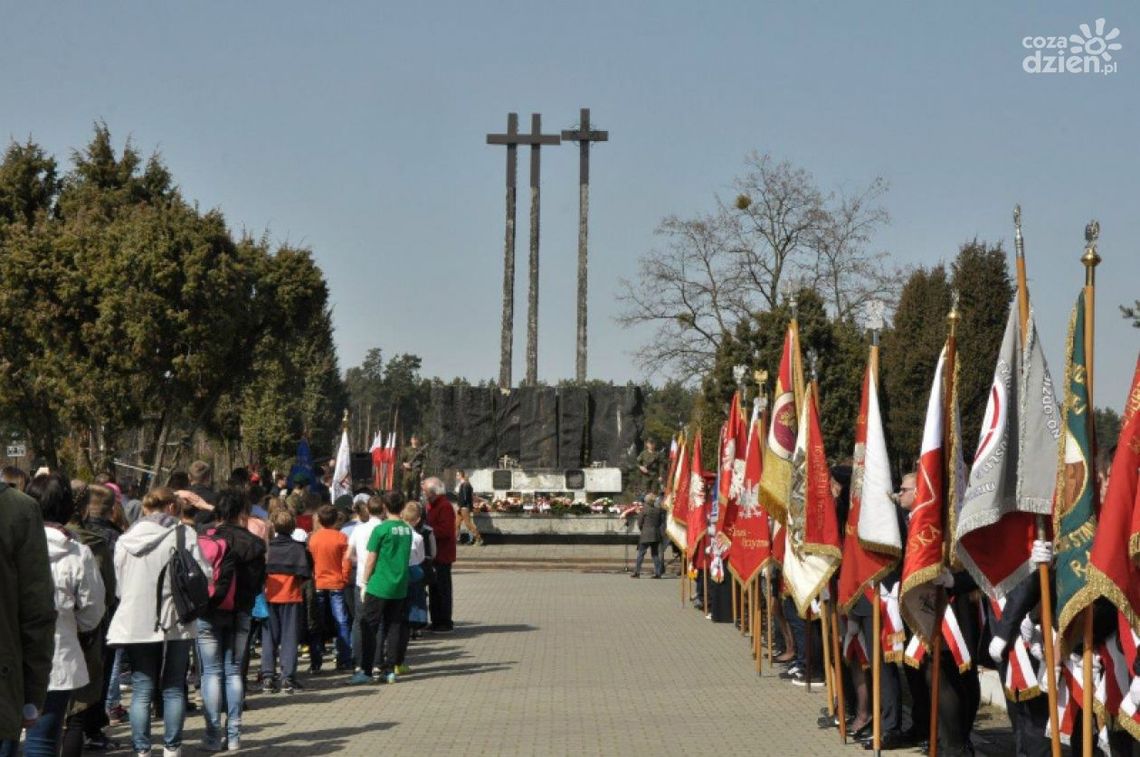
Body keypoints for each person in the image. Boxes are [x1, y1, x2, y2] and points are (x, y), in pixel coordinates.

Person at [1, 474, 105, 757]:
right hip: (56, 657)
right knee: (42, 741)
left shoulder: (13, 534)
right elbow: (93, 612)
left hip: (12, 655)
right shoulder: (77, 553)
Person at [106, 487, 208, 757]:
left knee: (142, 687)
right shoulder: (184, 534)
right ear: (173, 508)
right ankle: (172, 749)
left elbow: (118, 586)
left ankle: (142, 750)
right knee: (174, 686)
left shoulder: (126, 539)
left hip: (135, 620)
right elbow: (202, 574)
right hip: (176, 617)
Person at [196, 489, 266, 753]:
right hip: (241, 612)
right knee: (234, 670)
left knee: (211, 673)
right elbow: (259, 583)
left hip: (209, 612)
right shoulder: (254, 543)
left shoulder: (205, 538)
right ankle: (234, 735)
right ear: (242, 512)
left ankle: (212, 736)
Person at [0, 478, 57, 753]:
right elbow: (36, 609)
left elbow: (36, 610)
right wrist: (32, 695)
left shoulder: (18, 509)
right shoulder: (17, 509)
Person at [349, 493, 412, 685]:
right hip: (399, 584)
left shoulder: (381, 529)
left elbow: (371, 559)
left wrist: (365, 582)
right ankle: (390, 670)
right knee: (394, 627)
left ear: (385, 506)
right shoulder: (407, 530)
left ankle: (366, 670)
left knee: (369, 627)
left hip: (379, 585)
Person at [261, 508, 311, 694]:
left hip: (269, 596)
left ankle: (267, 676)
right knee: (289, 638)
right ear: (293, 527)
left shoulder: (268, 548)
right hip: (291, 596)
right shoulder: (298, 548)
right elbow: (305, 574)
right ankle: (287, 678)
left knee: (269, 637)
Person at [307, 504, 353, 673]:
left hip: (318, 583)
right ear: (335, 520)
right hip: (336, 583)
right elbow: (346, 561)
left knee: (316, 622)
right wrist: (344, 578)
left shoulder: (313, 538)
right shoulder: (341, 537)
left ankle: (316, 661)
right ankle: (344, 658)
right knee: (341, 621)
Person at [347, 496, 383, 676]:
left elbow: (348, 554)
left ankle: (359, 663)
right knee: (378, 622)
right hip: (380, 579)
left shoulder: (359, 529)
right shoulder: (384, 528)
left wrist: (359, 560)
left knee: (360, 621)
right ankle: (377, 662)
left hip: (362, 579)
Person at [422, 477, 456, 633]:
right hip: (433, 555)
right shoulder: (432, 505)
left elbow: (446, 531)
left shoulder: (444, 506)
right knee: (434, 589)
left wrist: (428, 532)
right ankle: (436, 620)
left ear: (433, 492)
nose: (424, 494)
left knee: (442, 589)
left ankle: (445, 621)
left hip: (442, 555)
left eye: (426, 492)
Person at [631, 494, 665, 578]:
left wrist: (643, 529)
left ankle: (637, 572)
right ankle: (658, 573)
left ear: (646, 501)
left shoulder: (644, 511)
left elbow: (640, 523)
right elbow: (661, 522)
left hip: (646, 534)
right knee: (655, 554)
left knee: (641, 554)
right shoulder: (658, 510)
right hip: (656, 534)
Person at [454, 469, 483, 546]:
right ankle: (457, 540)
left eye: (457, 475)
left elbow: (465, 498)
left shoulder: (465, 485)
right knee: (456, 524)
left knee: (468, 524)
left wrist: (460, 506)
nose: (456, 476)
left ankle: (479, 539)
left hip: (464, 508)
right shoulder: (463, 484)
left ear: (461, 475)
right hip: (461, 507)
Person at [400, 435, 425, 502]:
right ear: (411, 440)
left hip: (416, 474)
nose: (415, 441)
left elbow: (423, 462)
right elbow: (401, 460)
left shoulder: (421, 451)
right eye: (413, 439)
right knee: (406, 492)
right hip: (408, 474)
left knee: (416, 493)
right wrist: (405, 464)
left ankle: (415, 506)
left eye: (416, 439)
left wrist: (423, 471)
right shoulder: (406, 450)